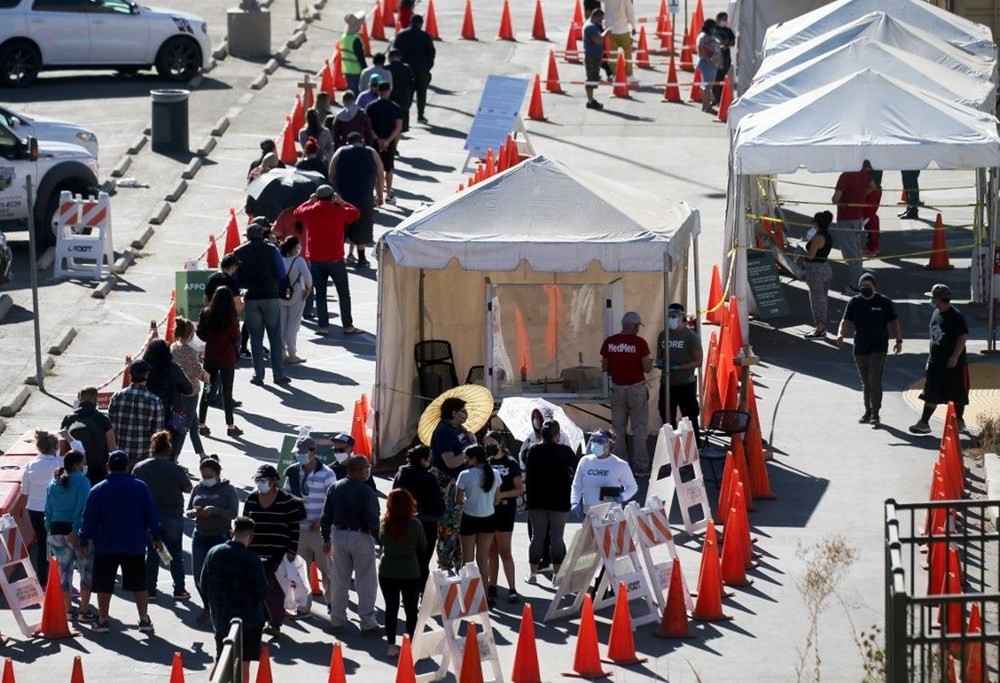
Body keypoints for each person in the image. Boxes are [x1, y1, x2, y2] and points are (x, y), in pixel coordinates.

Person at [79, 450, 162, 634]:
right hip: (134, 544)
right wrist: (156, 536)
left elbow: (89, 518)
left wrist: (84, 539)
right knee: (139, 584)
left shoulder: (98, 489)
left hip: (105, 545)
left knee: (104, 584)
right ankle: (144, 619)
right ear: (127, 467)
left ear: (107, 467)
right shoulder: (140, 487)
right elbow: (152, 514)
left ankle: (102, 620)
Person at [202, 516, 269, 682]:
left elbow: (203, 585)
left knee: (220, 659)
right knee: (243, 665)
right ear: (251, 537)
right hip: (249, 619)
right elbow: (262, 591)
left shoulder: (213, 553)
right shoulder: (252, 559)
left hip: (221, 616)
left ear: (232, 532)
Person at [242, 464, 305, 637]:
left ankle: (275, 624)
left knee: (275, 591)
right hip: (254, 553)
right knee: (255, 590)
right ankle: (256, 622)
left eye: (264, 480)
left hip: (278, 554)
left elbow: (294, 527)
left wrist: (292, 550)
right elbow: (244, 524)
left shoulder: (286, 500)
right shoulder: (252, 498)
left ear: (274, 481)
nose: (260, 483)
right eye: (258, 480)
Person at [321, 455, 381, 636]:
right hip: (361, 537)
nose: (368, 472)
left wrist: (326, 538)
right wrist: (379, 540)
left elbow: (326, 516)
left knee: (340, 580)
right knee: (366, 581)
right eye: (366, 469)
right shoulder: (366, 491)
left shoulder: (335, 487)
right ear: (359, 470)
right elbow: (373, 517)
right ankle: (368, 622)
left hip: (338, 535)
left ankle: (337, 620)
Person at [293, 184, 362, 336]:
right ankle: (348, 326)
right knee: (344, 294)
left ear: (317, 197)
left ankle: (323, 326)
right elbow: (356, 214)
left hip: (316, 260)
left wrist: (309, 202)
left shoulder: (310, 211)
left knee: (321, 294)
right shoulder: (339, 211)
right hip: (336, 260)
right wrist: (342, 202)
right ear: (332, 197)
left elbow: (297, 213)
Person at [836, 273, 903, 429]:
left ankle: (875, 413)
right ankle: (868, 411)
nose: (866, 289)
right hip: (860, 347)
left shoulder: (884, 302)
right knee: (866, 383)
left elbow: (895, 322)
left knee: (875, 380)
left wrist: (899, 340)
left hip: (878, 347)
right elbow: (845, 321)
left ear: (875, 287)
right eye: (863, 287)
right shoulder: (854, 302)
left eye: (869, 286)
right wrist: (840, 334)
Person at [133, 431, 192, 601]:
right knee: (173, 552)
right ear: (168, 450)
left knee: (153, 552)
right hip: (172, 516)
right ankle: (179, 588)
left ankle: (150, 588)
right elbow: (188, 488)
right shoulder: (174, 468)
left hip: (149, 517)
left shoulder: (140, 467)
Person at [282, 436, 336, 610]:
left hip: (321, 533)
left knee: (328, 571)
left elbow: (334, 501)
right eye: (298, 452)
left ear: (313, 452)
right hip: (299, 530)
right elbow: (286, 496)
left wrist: (322, 521)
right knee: (300, 573)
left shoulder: (327, 474)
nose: (299, 455)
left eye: (303, 452)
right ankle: (303, 607)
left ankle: (333, 604)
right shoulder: (292, 472)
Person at [234, 218, 291, 386]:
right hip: (270, 296)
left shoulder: (238, 251)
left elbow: (235, 277)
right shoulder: (271, 250)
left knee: (255, 338)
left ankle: (258, 375)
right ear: (261, 234)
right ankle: (279, 374)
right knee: (275, 336)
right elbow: (281, 273)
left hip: (251, 298)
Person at [909, 284, 970, 435]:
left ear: (940, 299)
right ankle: (924, 422)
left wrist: (954, 357)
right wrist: (930, 357)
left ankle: (959, 420)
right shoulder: (936, 312)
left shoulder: (956, 316)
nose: (931, 301)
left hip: (952, 363)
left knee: (957, 393)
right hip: (935, 361)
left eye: (933, 298)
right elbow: (934, 336)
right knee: (931, 391)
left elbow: (962, 337)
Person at [186, 455, 239, 626]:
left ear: (217, 474)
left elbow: (232, 513)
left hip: (220, 536)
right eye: (204, 476)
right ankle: (207, 606)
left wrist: (215, 510)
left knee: (218, 576)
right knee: (199, 576)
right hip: (200, 535)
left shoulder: (228, 490)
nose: (206, 480)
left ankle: (220, 608)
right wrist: (194, 513)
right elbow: (187, 510)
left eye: (209, 476)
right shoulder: (198, 488)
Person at [523, 420, 576, 584]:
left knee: (537, 537)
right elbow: (576, 470)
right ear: (557, 434)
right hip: (560, 500)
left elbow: (526, 468)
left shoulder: (533, 450)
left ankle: (532, 575)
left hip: (536, 500)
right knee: (557, 537)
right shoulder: (565, 451)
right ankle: (557, 575)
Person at [44, 449, 94, 621]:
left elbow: (48, 511)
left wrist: (49, 530)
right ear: (76, 465)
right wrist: (76, 530)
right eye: (82, 463)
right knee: (85, 570)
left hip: (56, 531)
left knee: (63, 573)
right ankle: (85, 611)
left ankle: (68, 610)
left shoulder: (53, 483)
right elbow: (82, 509)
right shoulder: (83, 482)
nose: (84, 465)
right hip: (77, 532)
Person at [600, 311, 653, 476]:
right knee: (638, 429)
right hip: (636, 389)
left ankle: (620, 466)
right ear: (635, 326)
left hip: (617, 390)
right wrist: (651, 363)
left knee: (618, 429)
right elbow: (647, 368)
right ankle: (641, 466)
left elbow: (605, 367)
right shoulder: (640, 343)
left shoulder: (610, 342)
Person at [378, 488, 426, 658]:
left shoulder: (384, 523)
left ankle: (391, 645)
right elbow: (423, 547)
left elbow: (381, 541)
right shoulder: (415, 525)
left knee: (391, 609)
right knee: (411, 610)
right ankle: (411, 644)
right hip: (410, 571)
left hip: (387, 570)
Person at [429, 397, 475, 571]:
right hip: (447, 487)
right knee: (448, 527)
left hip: (460, 485)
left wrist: (472, 441)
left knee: (458, 528)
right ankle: (445, 564)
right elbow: (451, 462)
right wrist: (468, 451)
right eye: (462, 410)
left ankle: (459, 562)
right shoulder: (443, 432)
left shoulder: (459, 429)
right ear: (454, 413)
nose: (465, 414)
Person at [391, 444, 444, 593]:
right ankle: (421, 594)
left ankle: (406, 592)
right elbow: (438, 504)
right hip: (427, 524)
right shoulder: (429, 478)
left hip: (404, 522)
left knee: (406, 560)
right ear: (423, 460)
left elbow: (394, 497)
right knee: (423, 561)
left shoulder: (401, 474)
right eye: (429, 458)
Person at [328, 132, 384, 269]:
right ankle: (362, 258)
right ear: (362, 141)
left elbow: (331, 173)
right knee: (362, 226)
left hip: (342, 198)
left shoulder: (341, 151)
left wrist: (333, 191)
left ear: (348, 142)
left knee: (340, 228)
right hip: (364, 197)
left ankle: (337, 257)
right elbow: (380, 174)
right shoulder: (372, 152)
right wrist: (380, 194)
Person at [197, 287, 243, 437]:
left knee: (208, 390)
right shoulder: (230, 317)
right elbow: (236, 338)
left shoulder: (206, 314)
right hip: (227, 359)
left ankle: (202, 423)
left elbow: (201, 334)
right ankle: (230, 425)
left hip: (210, 358)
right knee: (227, 393)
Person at [656, 304, 704, 443]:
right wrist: (660, 363)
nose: (671, 319)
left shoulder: (690, 336)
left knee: (689, 417)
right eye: (669, 316)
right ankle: (671, 446)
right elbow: (659, 355)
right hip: (666, 383)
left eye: (674, 316)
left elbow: (698, 361)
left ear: (682, 317)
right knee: (666, 416)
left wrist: (679, 367)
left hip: (685, 383)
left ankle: (694, 446)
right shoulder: (662, 335)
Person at [484, 431, 522, 604]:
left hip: (506, 511)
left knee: (504, 551)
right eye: (486, 443)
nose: (489, 446)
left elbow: (519, 489)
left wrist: (502, 495)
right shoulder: (487, 463)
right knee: (491, 550)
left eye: (491, 442)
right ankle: (492, 586)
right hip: (488, 511)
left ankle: (512, 588)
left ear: (499, 443)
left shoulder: (511, 462)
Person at [455, 445, 499, 595]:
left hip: (469, 518)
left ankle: (467, 594)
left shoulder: (465, 475)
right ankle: (484, 594)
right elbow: (497, 498)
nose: (466, 460)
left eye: (467, 457)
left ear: (474, 458)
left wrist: (466, 501)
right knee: (483, 558)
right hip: (489, 518)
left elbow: (458, 500)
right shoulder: (495, 473)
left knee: (467, 559)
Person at [22, 430, 63, 585]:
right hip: (55, 509)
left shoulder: (30, 465)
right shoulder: (59, 463)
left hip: (34, 507)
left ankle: (42, 579)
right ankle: (58, 578)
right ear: (54, 448)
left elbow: (24, 491)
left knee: (41, 542)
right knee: (56, 543)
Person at [108, 358, 165, 467]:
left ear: (130, 374)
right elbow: (158, 433)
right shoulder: (154, 400)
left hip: (119, 453)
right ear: (147, 375)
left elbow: (111, 426)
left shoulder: (117, 396)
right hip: (143, 455)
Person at [142, 338, 194, 456]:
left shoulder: (145, 368)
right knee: (179, 432)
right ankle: (172, 460)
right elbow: (189, 389)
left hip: (149, 411)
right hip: (172, 412)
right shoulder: (173, 368)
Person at [170, 317, 211, 460]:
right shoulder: (190, 351)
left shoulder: (173, 347)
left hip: (177, 392)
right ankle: (173, 458)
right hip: (191, 392)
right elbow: (198, 372)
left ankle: (202, 454)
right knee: (182, 428)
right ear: (190, 334)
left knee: (192, 424)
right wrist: (207, 377)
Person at [570, 430, 638, 515]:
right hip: (589, 513)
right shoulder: (585, 461)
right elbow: (577, 485)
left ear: (609, 444)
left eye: (599, 441)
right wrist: (574, 502)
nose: (595, 444)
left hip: (612, 515)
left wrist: (623, 496)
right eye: (593, 440)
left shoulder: (620, 465)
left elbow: (632, 487)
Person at [832, 162, 876, 292]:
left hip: (845, 217)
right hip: (858, 216)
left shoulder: (845, 176)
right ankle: (858, 279)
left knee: (852, 253)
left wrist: (845, 200)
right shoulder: (863, 172)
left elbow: (835, 199)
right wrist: (861, 195)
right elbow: (873, 186)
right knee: (855, 249)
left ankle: (856, 285)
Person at [60, 386, 116, 486]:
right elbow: (112, 447)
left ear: (80, 399)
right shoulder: (103, 419)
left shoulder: (69, 419)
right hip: (98, 471)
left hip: (74, 469)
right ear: (95, 399)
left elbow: (62, 445)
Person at [391, 14, 435, 124]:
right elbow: (431, 53)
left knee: (406, 92)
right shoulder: (425, 36)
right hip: (421, 69)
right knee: (421, 92)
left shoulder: (401, 35)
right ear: (421, 24)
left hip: (405, 69)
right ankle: (420, 115)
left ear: (410, 22)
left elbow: (394, 51)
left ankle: (405, 116)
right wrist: (428, 67)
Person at [366, 81, 404, 203]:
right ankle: (388, 194)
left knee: (376, 168)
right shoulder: (395, 108)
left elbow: (368, 126)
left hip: (375, 142)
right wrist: (388, 141)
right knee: (389, 168)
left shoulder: (371, 107)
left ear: (378, 91)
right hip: (390, 143)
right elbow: (398, 127)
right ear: (389, 91)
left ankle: (378, 194)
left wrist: (377, 139)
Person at [278, 235, 313, 363]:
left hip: (280, 295)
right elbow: (308, 279)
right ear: (295, 247)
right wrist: (308, 290)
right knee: (293, 325)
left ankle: (281, 352)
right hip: (297, 294)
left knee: (281, 325)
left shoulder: (280, 260)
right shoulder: (299, 261)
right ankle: (292, 354)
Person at [802, 211, 834, 339]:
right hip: (824, 268)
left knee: (817, 300)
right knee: (822, 298)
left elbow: (811, 255)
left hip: (816, 270)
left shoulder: (818, 237)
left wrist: (801, 253)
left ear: (817, 223)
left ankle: (820, 327)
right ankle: (821, 326)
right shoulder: (827, 235)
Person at [603, 0, 638, 87]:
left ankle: (614, 75)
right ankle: (629, 75)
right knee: (628, 53)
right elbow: (630, 12)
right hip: (623, 30)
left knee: (613, 55)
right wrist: (633, 26)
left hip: (610, 31)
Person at [582, 9, 609, 111]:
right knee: (591, 79)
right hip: (591, 57)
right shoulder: (590, 27)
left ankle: (591, 99)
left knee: (593, 78)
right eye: (600, 18)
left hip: (594, 56)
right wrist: (607, 33)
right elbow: (598, 40)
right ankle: (590, 100)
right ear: (595, 16)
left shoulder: (591, 25)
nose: (600, 21)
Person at [385, 49, 416, 133]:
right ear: (400, 57)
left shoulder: (386, 69)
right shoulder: (407, 68)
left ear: (389, 58)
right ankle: (403, 128)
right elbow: (412, 83)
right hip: (404, 95)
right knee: (404, 112)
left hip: (391, 95)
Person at [696, 19, 721, 114]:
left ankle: (705, 105)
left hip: (706, 63)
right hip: (707, 64)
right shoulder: (704, 37)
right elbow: (700, 48)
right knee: (707, 86)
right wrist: (708, 60)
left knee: (705, 85)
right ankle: (707, 106)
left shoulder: (704, 36)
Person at [341, 11, 368, 94]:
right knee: (357, 94)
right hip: (356, 70)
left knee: (350, 93)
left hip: (347, 69)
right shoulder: (355, 39)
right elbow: (360, 57)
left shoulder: (344, 37)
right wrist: (365, 69)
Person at [712, 12, 735, 105]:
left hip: (725, 58)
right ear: (718, 19)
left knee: (722, 78)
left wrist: (726, 45)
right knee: (714, 79)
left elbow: (733, 42)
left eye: (726, 19)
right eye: (723, 19)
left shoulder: (728, 31)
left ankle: (721, 99)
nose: (724, 21)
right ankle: (715, 98)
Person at [862, 165, 884, 257]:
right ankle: (872, 245)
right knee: (870, 217)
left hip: (871, 190)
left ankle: (872, 247)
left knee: (869, 217)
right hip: (874, 188)